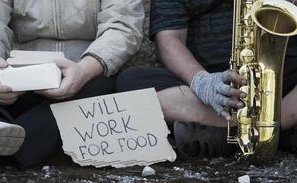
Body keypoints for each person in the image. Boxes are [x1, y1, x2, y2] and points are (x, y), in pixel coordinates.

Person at [116, 0, 297, 159]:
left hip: (283, 82)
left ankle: (259, 130)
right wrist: (201, 81)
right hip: (211, 89)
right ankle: (256, 132)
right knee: (132, 82)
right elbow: (169, 40)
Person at [0, 0, 144, 168]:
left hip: (88, 70)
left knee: (100, 92)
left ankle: (12, 145)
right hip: (20, 72)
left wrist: (85, 69)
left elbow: (123, 27)